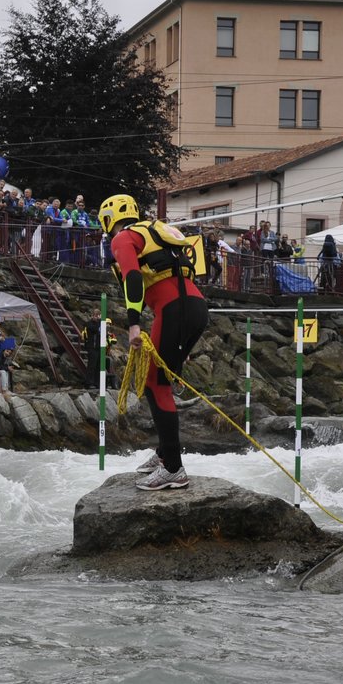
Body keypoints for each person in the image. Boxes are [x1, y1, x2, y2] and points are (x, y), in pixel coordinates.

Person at [98, 193, 209, 490]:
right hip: (197, 309)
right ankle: (164, 453)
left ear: (109, 220)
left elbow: (132, 278)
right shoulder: (155, 232)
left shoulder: (122, 238)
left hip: (174, 311)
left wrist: (133, 324)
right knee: (160, 381)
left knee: (154, 384)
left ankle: (172, 467)